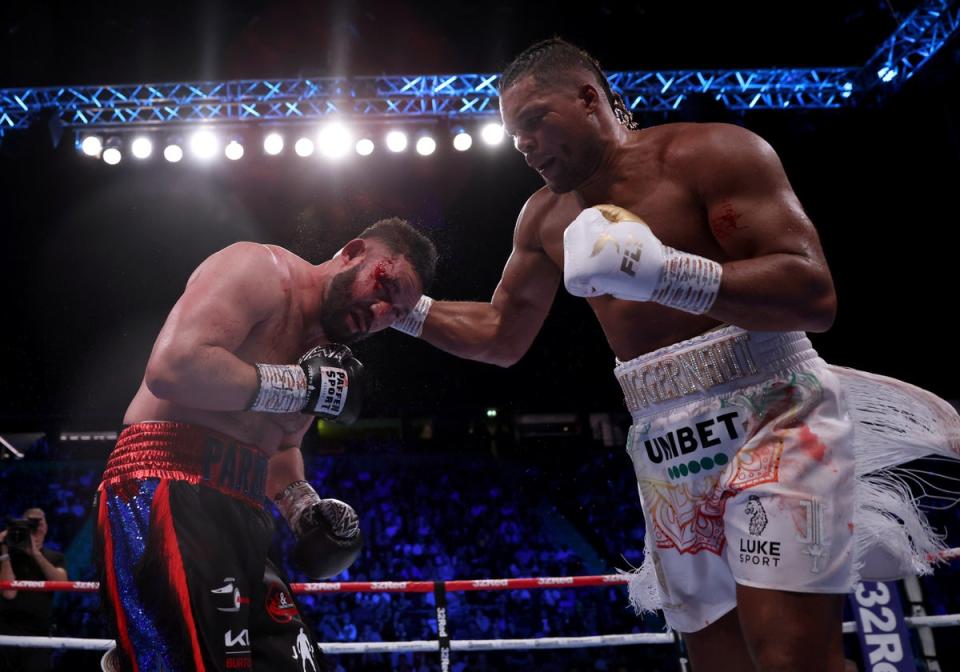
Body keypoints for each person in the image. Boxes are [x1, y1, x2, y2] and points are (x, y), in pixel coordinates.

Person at [391, 38, 960, 671]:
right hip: (667, 442)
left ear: (589, 98)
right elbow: (501, 334)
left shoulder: (711, 153)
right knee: (723, 664)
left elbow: (813, 293)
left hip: (775, 416)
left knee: (791, 656)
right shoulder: (543, 218)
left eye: (534, 120)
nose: (522, 143)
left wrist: (669, 274)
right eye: (513, 133)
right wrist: (403, 311)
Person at [95, 218, 437, 672]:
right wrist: (299, 386)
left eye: (395, 314)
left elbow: (279, 447)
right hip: (166, 483)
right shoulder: (259, 269)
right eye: (383, 286)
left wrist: (304, 509)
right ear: (353, 252)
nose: (379, 313)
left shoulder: (326, 359)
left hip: (243, 507)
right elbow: (173, 368)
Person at [0, 508, 68, 672]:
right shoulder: (8, 557)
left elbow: (62, 584)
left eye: (39, 522)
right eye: (30, 522)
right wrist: (4, 551)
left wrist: (36, 554)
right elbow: (9, 593)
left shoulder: (55, 557)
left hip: (39, 632)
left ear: (46, 526)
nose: (35, 526)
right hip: (6, 630)